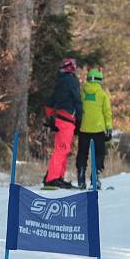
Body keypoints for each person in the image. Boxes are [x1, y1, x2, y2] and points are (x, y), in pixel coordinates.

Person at [43, 58, 83, 189]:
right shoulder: (71, 81)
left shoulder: (60, 81)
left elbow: (50, 100)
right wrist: (79, 119)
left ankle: (57, 176)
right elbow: (77, 100)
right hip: (67, 120)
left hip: (61, 119)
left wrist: (50, 118)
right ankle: (52, 178)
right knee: (62, 149)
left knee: (63, 149)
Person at [76, 68, 113, 189]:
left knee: (82, 153)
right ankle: (95, 178)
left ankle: (81, 175)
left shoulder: (83, 93)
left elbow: (78, 109)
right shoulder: (102, 95)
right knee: (99, 154)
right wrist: (109, 128)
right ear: (100, 80)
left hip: (84, 129)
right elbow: (107, 113)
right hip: (98, 129)